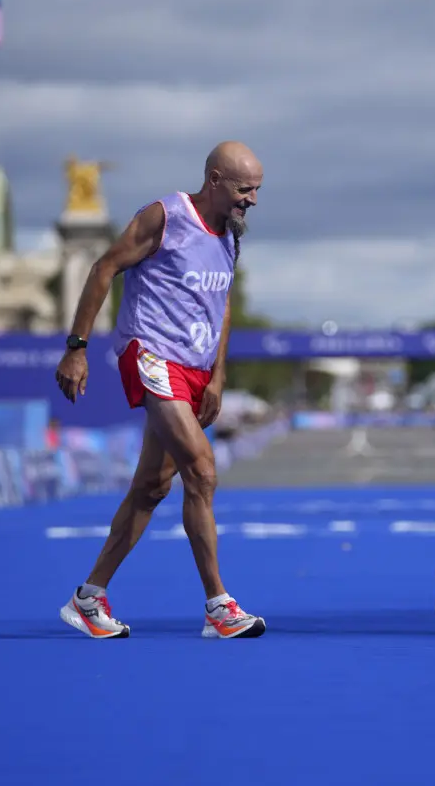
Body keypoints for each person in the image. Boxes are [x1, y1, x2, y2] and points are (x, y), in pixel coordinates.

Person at [54, 141, 268, 639]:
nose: (252, 200)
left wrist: (217, 374)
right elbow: (103, 267)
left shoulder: (231, 235)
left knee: (151, 488)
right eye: (243, 189)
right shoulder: (164, 216)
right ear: (214, 179)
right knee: (202, 469)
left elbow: (223, 303)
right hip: (151, 355)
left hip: (195, 369)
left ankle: (88, 598)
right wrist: (77, 347)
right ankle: (219, 606)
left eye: (258, 190)